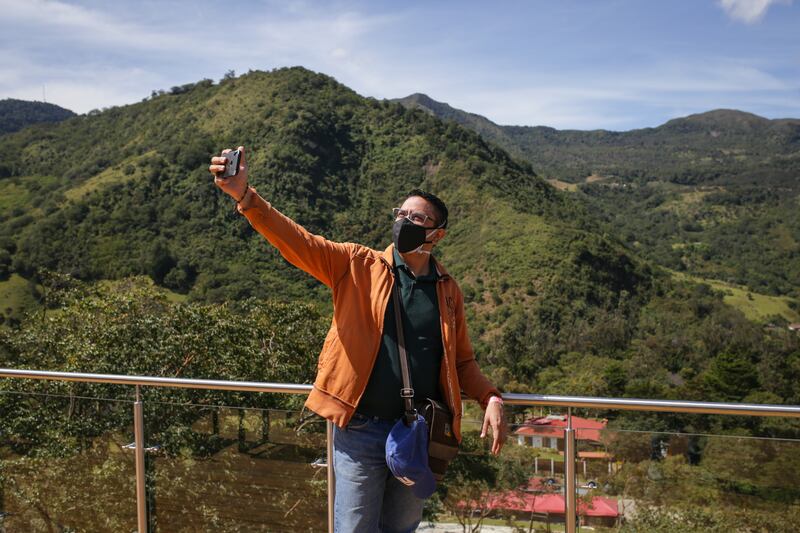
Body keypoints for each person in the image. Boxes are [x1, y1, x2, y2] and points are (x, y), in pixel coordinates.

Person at [210, 146, 507, 533]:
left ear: (437, 233)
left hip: (417, 431)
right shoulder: (357, 264)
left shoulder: (448, 290)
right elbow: (297, 242)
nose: (404, 221)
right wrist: (246, 197)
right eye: (400, 214)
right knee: (354, 527)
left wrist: (491, 397)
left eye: (415, 217)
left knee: (401, 527)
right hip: (359, 428)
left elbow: (462, 362)